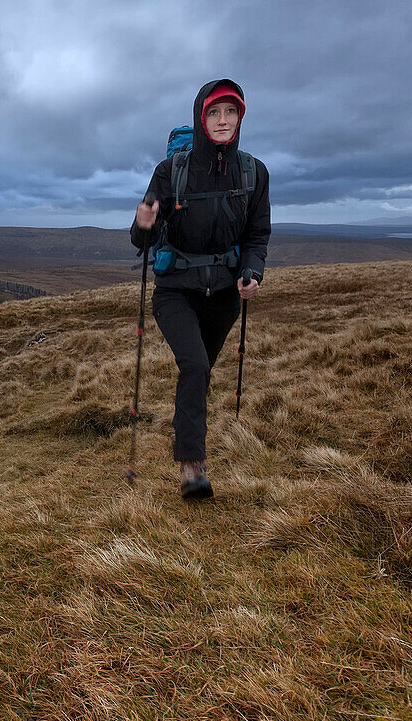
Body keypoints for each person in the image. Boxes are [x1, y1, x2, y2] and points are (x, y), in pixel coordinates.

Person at [130, 78, 270, 500]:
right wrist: (143, 224)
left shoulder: (254, 173)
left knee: (200, 372)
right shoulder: (171, 171)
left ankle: (184, 431)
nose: (223, 120)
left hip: (224, 295)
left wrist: (252, 271)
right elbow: (141, 243)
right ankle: (193, 466)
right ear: (201, 117)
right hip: (176, 291)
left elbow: (257, 235)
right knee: (196, 367)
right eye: (214, 112)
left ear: (240, 116)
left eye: (230, 112)